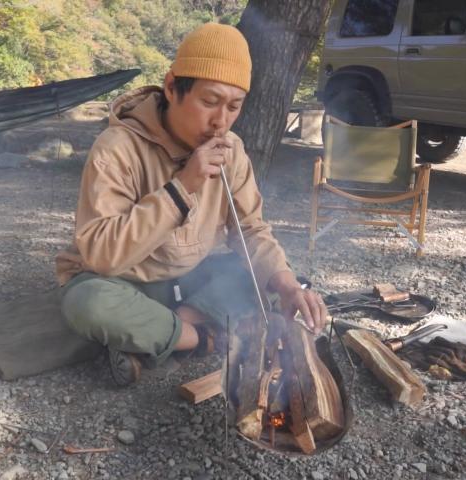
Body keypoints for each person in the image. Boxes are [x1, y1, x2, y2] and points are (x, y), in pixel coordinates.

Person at [55, 22, 328, 386]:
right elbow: (102, 256)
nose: (221, 120)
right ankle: (205, 337)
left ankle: (164, 333)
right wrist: (183, 187)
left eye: (234, 106)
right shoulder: (118, 147)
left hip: (190, 279)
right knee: (88, 304)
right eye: (209, 102)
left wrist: (289, 287)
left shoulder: (232, 150)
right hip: (129, 283)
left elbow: (251, 231)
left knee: (283, 276)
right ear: (172, 87)